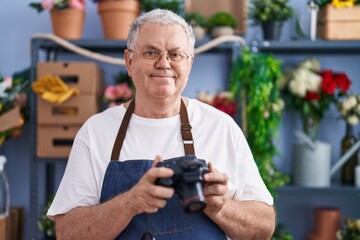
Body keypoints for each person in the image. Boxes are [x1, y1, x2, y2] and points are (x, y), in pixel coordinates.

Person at [47, 9, 275, 240]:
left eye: (175, 54)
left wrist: (220, 207)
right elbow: (67, 233)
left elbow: (264, 228)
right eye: (151, 52)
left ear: (190, 63)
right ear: (129, 61)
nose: (164, 63)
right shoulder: (96, 132)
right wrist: (130, 202)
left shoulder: (221, 127)